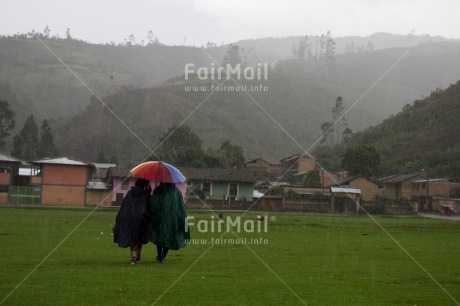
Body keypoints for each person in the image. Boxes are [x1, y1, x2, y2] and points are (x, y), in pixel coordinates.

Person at [149, 182, 190, 263]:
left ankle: (159, 255)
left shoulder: (158, 190)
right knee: (168, 236)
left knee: (159, 236)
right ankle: (163, 256)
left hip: (159, 218)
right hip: (172, 219)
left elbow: (153, 203)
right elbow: (180, 206)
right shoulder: (176, 192)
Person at [113, 178, 152, 264]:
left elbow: (125, 206)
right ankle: (137, 256)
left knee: (133, 238)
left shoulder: (130, 193)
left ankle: (134, 257)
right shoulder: (145, 195)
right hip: (142, 220)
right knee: (139, 238)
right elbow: (148, 207)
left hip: (130, 220)